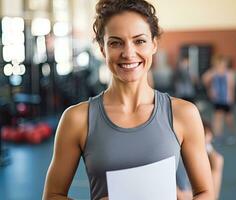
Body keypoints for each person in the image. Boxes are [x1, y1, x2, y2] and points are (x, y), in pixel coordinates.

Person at [42, 0, 214, 199]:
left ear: (154, 44)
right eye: (116, 42)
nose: (128, 53)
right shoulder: (77, 119)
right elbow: (52, 195)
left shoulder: (184, 114)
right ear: (102, 48)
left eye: (139, 41)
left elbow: (205, 192)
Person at [202, 55, 236, 143]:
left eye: (223, 63)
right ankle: (218, 136)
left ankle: (231, 134)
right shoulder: (213, 72)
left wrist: (231, 97)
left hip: (226, 99)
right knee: (218, 118)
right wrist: (209, 89)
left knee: (229, 118)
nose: (222, 65)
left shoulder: (229, 73)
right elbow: (204, 79)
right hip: (217, 99)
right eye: (220, 63)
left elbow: (231, 86)